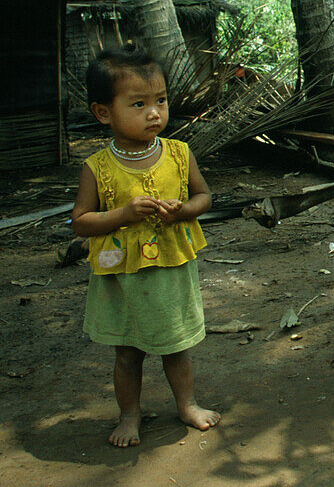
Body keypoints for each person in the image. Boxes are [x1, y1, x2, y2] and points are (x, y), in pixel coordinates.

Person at [71, 45, 219, 448]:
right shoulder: (97, 166)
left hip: (171, 270)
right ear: (104, 112)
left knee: (176, 346)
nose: (154, 112)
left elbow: (205, 197)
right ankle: (130, 415)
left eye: (160, 101)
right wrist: (121, 214)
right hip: (122, 277)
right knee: (127, 353)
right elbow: (80, 222)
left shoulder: (178, 153)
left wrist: (183, 210)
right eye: (139, 104)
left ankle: (187, 405)